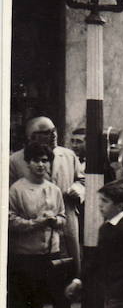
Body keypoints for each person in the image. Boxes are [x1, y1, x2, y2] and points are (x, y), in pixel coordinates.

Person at [7, 142, 75, 308]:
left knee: (39, 299)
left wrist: (56, 220)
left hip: (49, 253)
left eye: (45, 160)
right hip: (25, 254)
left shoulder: (53, 189)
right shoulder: (17, 189)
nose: (40, 164)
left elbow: (63, 217)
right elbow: (9, 220)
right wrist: (36, 223)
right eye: (36, 160)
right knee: (20, 299)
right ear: (28, 162)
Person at [10, 117, 85, 281]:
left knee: (68, 267)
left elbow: (81, 179)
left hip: (65, 218)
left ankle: (66, 301)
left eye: (54, 130)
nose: (53, 135)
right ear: (32, 136)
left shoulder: (68, 155)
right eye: (46, 133)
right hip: (31, 230)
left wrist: (77, 190)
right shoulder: (15, 160)